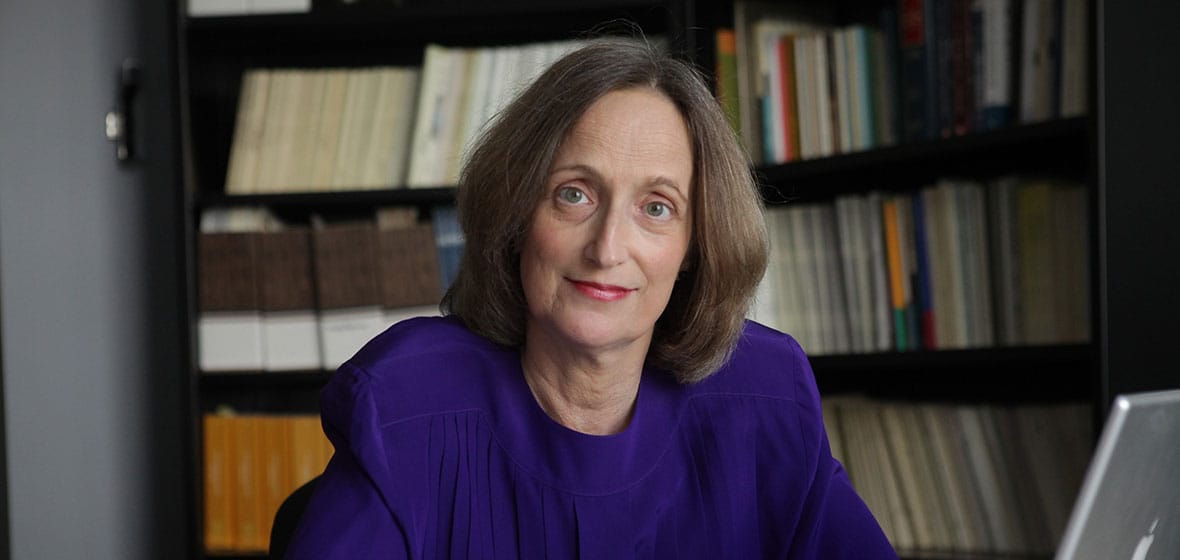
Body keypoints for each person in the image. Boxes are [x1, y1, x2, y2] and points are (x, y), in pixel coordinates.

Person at [285, 37, 896, 558]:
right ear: (519, 213)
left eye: (657, 208)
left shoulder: (764, 399)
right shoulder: (409, 407)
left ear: (694, 246)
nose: (608, 248)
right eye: (574, 194)